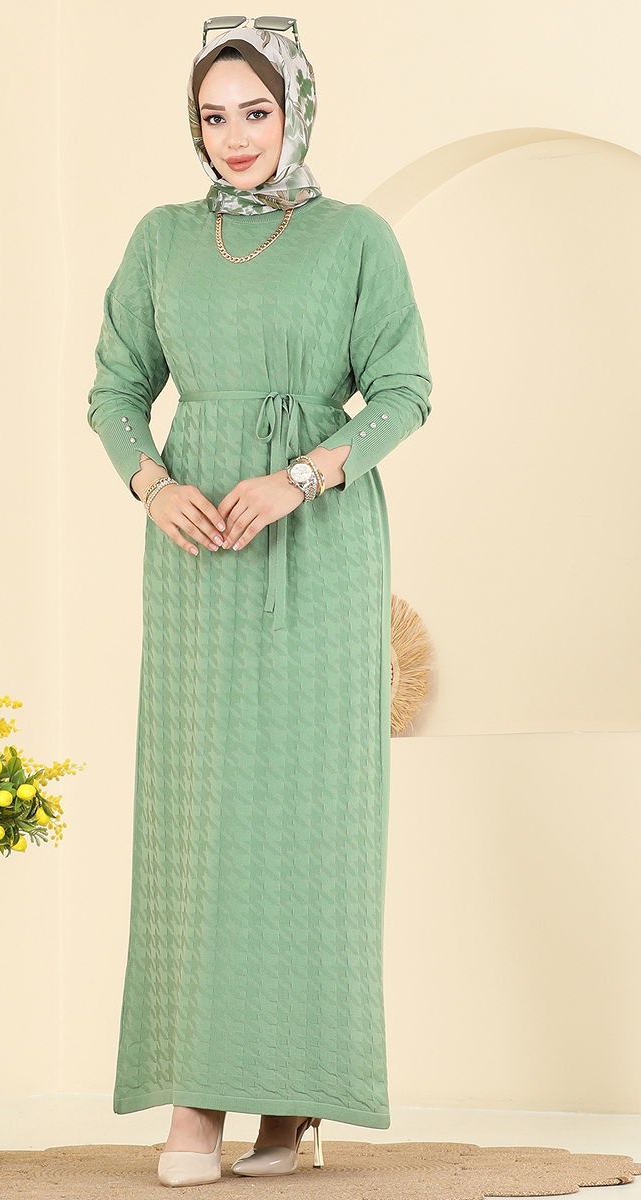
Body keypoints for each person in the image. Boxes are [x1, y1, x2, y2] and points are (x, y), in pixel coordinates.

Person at [86, 16, 433, 1189]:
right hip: (197, 554)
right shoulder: (161, 240)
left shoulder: (355, 238)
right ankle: (196, 1095)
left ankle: (294, 1099)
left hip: (320, 545)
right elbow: (114, 390)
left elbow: (403, 390)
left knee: (310, 819)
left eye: (254, 110)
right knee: (198, 818)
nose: (232, 135)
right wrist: (152, 484)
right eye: (212, 115)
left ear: (294, 109)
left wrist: (301, 477)